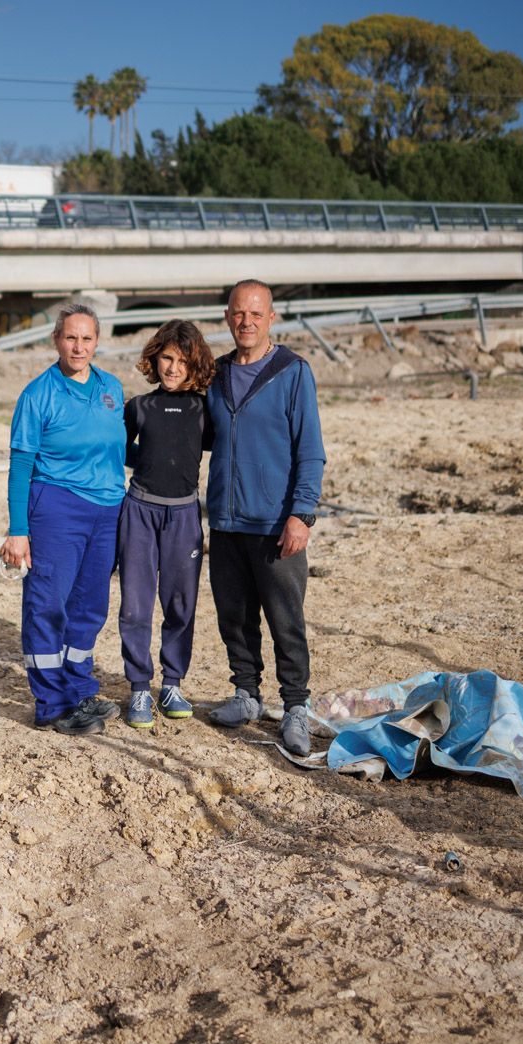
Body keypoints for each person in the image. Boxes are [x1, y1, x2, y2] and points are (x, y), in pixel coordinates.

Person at [204, 280, 327, 755]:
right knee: (234, 617)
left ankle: (295, 705)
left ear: (271, 318)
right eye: (238, 313)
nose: (246, 322)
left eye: (255, 314)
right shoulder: (213, 375)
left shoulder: (293, 372)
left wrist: (302, 514)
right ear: (228, 317)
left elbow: (310, 451)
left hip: (276, 525)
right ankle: (246, 694)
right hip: (227, 522)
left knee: (285, 619)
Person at [0, 303, 127, 736]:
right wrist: (18, 529)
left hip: (107, 510)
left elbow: (119, 450)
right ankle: (52, 705)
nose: (79, 346)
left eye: (87, 338)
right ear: (56, 340)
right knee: (48, 604)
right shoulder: (38, 395)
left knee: (89, 605)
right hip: (56, 507)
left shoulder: (112, 388)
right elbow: (20, 465)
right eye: (71, 337)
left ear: (97, 341)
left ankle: (79, 689)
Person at [116, 319, 216, 729]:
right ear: (154, 359)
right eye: (167, 359)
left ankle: (172, 682)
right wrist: (154, 464)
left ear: (196, 366)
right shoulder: (139, 407)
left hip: (184, 515)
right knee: (136, 605)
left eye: (182, 361)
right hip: (139, 511)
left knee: (180, 604)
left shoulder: (204, 410)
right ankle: (140, 685)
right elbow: (119, 450)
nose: (173, 368)